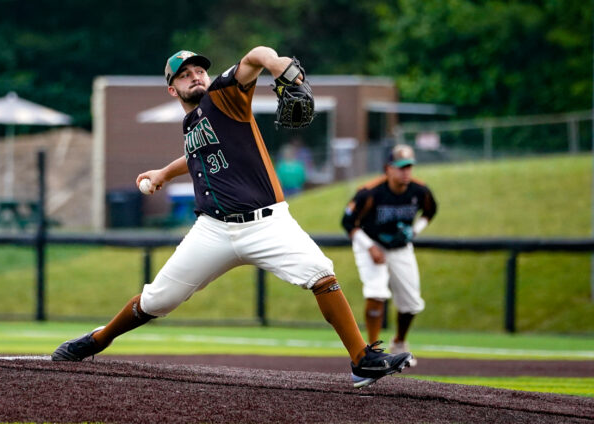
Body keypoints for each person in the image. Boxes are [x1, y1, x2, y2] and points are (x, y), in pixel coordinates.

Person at [52, 46, 412, 387]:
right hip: (212, 230)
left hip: (268, 223)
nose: (195, 76)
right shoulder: (192, 123)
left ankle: (361, 360)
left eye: (199, 70)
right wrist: (164, 172)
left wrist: (275, 65)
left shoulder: (224, 96)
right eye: (184, 74)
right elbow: (197, 155)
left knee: (320, 273)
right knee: (156, 301)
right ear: (171, 90)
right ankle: (98, 339)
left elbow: (255, 55)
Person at [341, 144, 437, 367]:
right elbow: (348, 223)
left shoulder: (419, 190)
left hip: (400, 246)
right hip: (370, 243)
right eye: (401, 167)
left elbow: (431, 211)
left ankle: (400, 342)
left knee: (411, 302)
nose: (406, 172)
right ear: (388, 168)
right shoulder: (370, 192)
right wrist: (370, 247)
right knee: (376, 291)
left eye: (409, 167)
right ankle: (373, 350)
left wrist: (415, 231)